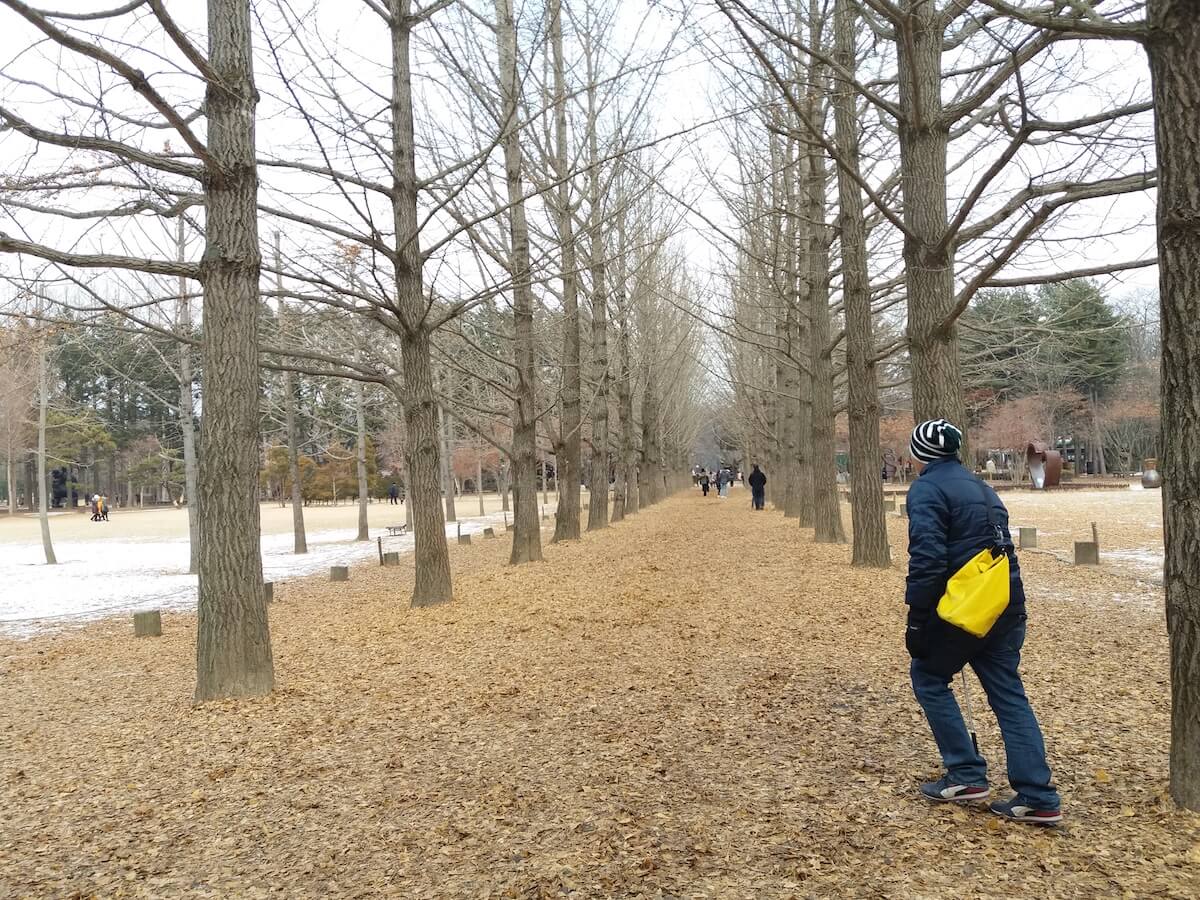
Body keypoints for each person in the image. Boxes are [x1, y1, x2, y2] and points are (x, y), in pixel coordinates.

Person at [904, 419, 1061, 826]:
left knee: (927, 677)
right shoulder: (982, 487)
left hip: (966, 607)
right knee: (1008, 694)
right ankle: (1038, 795)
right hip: (1006, 602)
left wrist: (918, 620)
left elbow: (927, 559)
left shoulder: (927, 488)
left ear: (920, 454)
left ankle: (966, 773)